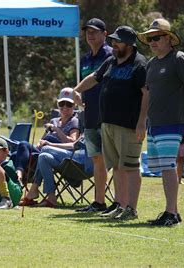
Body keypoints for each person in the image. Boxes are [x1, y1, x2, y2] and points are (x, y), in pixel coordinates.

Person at [73, 25, 148, 221]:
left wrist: (142, 122)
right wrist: (76, 90)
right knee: (116, 167)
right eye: (113, 41)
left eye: (118, 41)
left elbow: (147, 94)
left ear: (129, 44)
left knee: (130, 167)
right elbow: (94, 77)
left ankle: (131, 208)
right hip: (107, 123)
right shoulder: (111, 61)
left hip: (129, 124)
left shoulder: (139, 64)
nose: (113, 44)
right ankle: (120, 205)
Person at [137, 18, 184, 226]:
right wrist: (142, 120)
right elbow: (148, 94)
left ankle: (171, 214)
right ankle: (173, 211)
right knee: (164, 167)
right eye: (149, 39)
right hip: (155, 123)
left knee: (168, 167)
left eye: (156, 38)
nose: (152, 42)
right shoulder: (152, 64)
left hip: (172, 122)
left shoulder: (179, 59)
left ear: (168, 38)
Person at [73, 18, 113, 212]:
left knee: (110, 159)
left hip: (108, 114)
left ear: (105, 34)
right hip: (89, 114)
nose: (90, 34)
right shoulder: (85, 58)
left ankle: (121, 203)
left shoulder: (111, 55)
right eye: (88, 31)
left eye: (95, 31)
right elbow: (85, 84)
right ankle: (99, 202)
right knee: (97, 158)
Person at [12, 87, 80, 183]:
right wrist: (39, 143)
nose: (65, 107)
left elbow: (73, 143)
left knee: (23, 144)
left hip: (57, 156)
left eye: (69, 104)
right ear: (57, 104)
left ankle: (20, 175)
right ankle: (19, 180)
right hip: (42, 150)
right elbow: (42, 139)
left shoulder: (74, 121)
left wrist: (56, 129)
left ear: (74, 106)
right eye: (61, 104)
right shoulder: (54, 121)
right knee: (15, 154)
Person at [19, 138, 89, 208]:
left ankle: (34, 188)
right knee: (43, 157)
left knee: (45, 148)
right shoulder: (86, 131)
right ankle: (51, 197)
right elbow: (73, 145)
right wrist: (51, 144)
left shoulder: (93, 129)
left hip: (84, 163)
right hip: (73, 160)